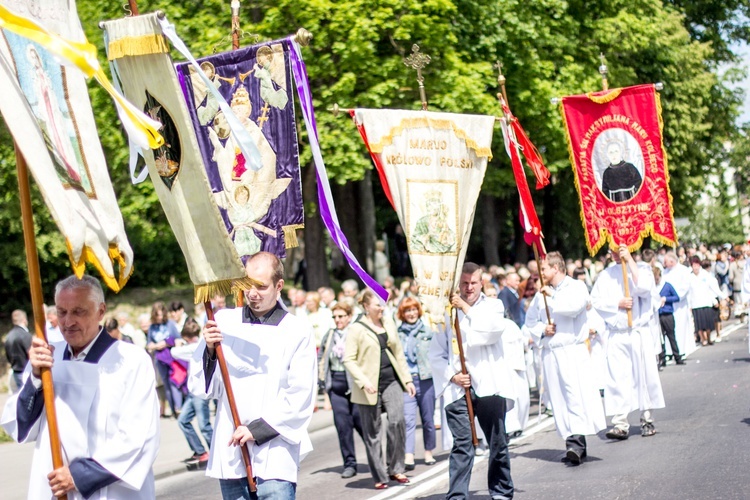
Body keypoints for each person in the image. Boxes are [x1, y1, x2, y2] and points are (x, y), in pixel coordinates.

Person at [1, 275, 159, 498]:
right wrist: (35, 378)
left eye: (78, 311)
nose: (67, 322)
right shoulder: (46, 359)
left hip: (109, 489)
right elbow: (20, 425)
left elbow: (138, 437)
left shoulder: (130, 360)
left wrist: (77, 476)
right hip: (54, 486)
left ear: (101, 311)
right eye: (62, 312)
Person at [188, 252, 316, 499]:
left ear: (279, 286)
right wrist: (210, 350)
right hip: (232, 446)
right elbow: (203, 387)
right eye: (248, 285)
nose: (253, 293)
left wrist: (256, 430)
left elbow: (301, 394)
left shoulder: (296, 329)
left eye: (261, 286)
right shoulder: (224, 321)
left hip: (275, 448)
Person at [429, 262, 516, 500]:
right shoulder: (447, 314)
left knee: (497, 443)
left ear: (482, 283)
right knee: (462, 445)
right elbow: (435, 354)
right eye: (464, 284)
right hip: (459, 389)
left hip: (489, 386)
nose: (469, 288)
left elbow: (490, 332)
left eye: (473, 283)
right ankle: (457, 496)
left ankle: (501, 491)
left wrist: (465, 308)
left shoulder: (493, 306)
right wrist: (452, 375)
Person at [523, 252, 605, 464]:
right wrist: (543, 328)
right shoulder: (541, 294)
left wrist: (552, 296)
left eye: (544, 269)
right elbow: (530, 320)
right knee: (559, 399)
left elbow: (574, 308)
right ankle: (573, 442)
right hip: (552, 352)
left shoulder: (575, 287)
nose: (540, 273)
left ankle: (575, 444)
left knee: (574, 395)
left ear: (556, 268)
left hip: (572, 350)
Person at [343, 289, 416, 490]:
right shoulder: (356, 329)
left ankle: (396, 468)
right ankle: (380, 475)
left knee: (397, 421)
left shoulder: (388, 322)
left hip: (391, 380)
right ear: (366, 307)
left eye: (383, 304)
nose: (382, 308)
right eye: (377, 305)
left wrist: (407, 380)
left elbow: (398, 353)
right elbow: (348, 359)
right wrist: (363, 381)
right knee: (373, 432)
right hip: (368, 387)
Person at [591, 245, 665, 440]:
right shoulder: (606, 274)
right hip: (617, 333)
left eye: (618, 250)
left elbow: (645, 288)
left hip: (638, 331)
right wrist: (617, 303)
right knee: (617, 377)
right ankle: (620, 422)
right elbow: (596, 300)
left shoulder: (642, 268)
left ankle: (647, 418)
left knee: (643, 375)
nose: (613, 254)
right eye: (611, 251)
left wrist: (630, 260)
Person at [318, 302, 363, 479]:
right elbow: (321, 356)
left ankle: (378, 459)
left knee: (362, 424)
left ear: (349, 317)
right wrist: (323, 382)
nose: (337, 320)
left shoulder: (356, 333)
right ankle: (350, 463)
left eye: (341, 316)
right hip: (336, 386)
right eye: (335, 317)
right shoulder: (329, 335)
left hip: (355, 385)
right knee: (343, 427)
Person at [396, 297, 437, 470]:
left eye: (413, 310)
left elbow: (436, 354)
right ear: (402, 314)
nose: (411, 314)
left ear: (418, 311)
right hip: (408, 381)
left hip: (426, 379)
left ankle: (428, 451)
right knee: (408, 419)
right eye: (407, 311)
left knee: (428, 419)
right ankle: (409, 454)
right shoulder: (398, 334)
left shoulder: (428, 331)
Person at [172, 318, 213, 465]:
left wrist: (178, 343)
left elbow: (174, 352)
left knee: (204, 426)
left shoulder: (196, 346)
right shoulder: (199, 343)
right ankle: (200, 451)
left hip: (200, 392)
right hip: (193, 392)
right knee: (183, 420)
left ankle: (216, 453)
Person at [147, 301, 183, 418]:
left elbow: (177, 339)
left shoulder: (170, 324)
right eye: (157, 315)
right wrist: (157, 345)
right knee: (166, 384)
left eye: (161, 314)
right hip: (160, 358)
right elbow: (149, 344)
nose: (160, 317)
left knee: (174, 382)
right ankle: (173, 409)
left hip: (171, 357)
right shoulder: (152, 327)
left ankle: (179, 407)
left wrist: (166, 343)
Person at [662, 251, 696, 357]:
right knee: (669, 329)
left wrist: (674, 297)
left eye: (666, 261)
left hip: (679, 305)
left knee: (680, 328)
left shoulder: (683, 271)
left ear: (672, 261)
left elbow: (685, 288)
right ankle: (670, 351)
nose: (664, 263)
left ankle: (680, 350)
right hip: (668, 304)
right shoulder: (665, 272)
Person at [689, 258, 726, 346]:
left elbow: (712, 289)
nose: (696, 268)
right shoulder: (689, 277)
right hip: (695, 303)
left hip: (706, 302)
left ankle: (708, 338)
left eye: (697, 265)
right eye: (694, 266)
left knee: (708, 323)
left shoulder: (705, 275)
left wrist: (720, 298)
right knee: (699, 325)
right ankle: (703, 339)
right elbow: (688, 292)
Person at [653, 266, 684, 367]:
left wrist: (665, 299)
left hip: (667, 314)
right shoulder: (652, 288)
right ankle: (662, 359)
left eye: (657, 279)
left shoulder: (667, 286)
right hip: (657, 315)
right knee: (660, 338)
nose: (656, 281)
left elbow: (677, 297)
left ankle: (677, 356)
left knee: (671, 336)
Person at [4, 310, 31, 393]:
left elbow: (8, 355)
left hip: (16, 371)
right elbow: (31, 354)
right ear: (24, 319)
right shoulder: (25, 335)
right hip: (27, 371)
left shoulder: (8, 336)